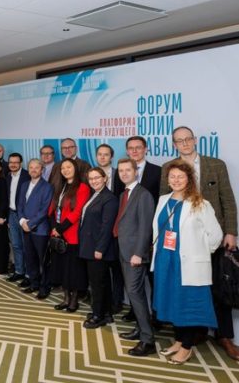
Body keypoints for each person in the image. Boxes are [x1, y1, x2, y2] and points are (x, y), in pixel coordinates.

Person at [160, 126, 239, 361]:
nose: (184, 143)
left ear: (195, 140)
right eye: (179, 140)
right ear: (174, 144)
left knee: (219, 287)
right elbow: (165, 203)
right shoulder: (168, 168)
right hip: (184, 242)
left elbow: (228, 199)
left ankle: (224, 336)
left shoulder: (216, 165)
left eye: (188, 139)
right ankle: (195, 333)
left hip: (214, 237)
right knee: (189, 288)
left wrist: (231, 232)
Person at [152, 159, 222, 365]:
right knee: (173, 302)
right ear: (168, 180)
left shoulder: (201, 203)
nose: (176, 180)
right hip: (166, 260)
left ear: (189, 179)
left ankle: (186, 347)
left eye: (180, 177)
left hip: (188, 264)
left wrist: (198, 252)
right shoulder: (163, 200)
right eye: (172, 176)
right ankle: (179, 340)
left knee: (188, 305)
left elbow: (216, 236)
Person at [114, 158, 156, 356]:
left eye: (128, 170)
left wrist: (139, 253)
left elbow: (146, 228)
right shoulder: (124, 194)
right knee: (134, 294)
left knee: (135, 294)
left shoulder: (143, 194)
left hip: (135, 254)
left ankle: (148, 340)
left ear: (136, 172)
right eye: (121, 170)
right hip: (124, 251)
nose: (124, 173)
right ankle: (140, 329)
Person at [79, 167, 118, 329]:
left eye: (97, 178)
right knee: (102, 282)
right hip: (90, 245)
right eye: (91, 178)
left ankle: (98, 316)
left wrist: (100, 249)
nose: (94, 181)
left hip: (98, 248)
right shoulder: (94, 194)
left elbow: (106, 227)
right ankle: (106, 312)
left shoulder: (109, 199)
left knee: (97, 284)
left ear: (105, 178)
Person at [49, 158, 90, 313]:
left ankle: (74, 300)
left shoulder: (83, 187)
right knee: (61, 268)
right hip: (58, 233)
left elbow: (78, 212)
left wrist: (60, 228)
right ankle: (66, 298)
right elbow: (52, 209)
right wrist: (54, 227)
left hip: (72, 234)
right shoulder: (61, 186)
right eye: (63, 168)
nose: (65, 170)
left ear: (75, 169)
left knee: (73, 270)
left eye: (69, 167)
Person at [95, 143, 125, 314]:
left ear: (111, 157)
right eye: (100, 154)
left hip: (116, 228)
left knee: (116, 268)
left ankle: (117, 301)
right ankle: (102, 299)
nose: (102, 157)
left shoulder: (119, 174)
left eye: (106, 154)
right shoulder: (91, 176)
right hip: (97, 229)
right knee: (100, 268)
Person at [17, 159, 53, 299]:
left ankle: (44, 287)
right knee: (30, 257)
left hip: (40, 229)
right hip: (25, 227)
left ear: (42, 170)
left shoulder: (47, 187)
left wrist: (30, 224)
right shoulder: (24, 185)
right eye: (31, 167)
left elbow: (44, 210)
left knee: (43, 261)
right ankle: (34, 283)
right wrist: (22, 221)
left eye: (36, 167)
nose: (33, 170)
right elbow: (20, 205)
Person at [5, 153, 30, 284]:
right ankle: (19, 271)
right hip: (11, 214)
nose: (13, 164)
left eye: (16, 162)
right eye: (11, 162)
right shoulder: (8, 176)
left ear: (21, 163)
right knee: (15, 244)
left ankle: (28, 274)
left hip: (24, 216)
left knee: (26, 246)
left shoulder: (27, 176)